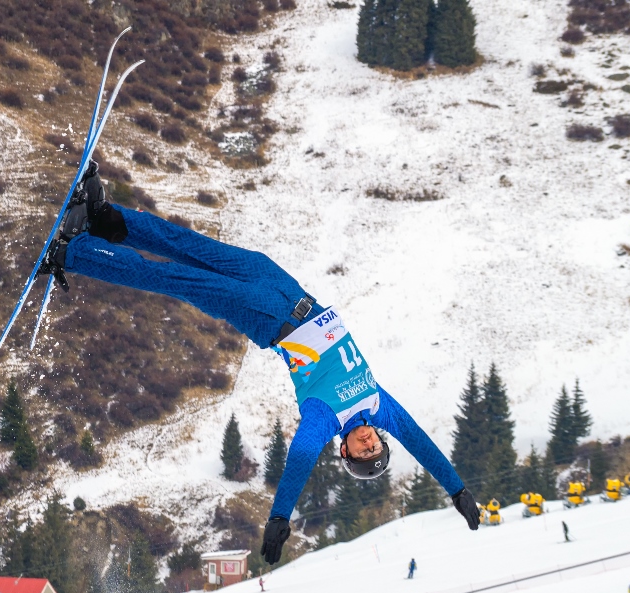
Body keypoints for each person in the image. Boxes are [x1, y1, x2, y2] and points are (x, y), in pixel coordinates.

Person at [40, 165, 481, 565]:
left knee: (174, 278)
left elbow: (299, 462)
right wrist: (457, 490)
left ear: (345, 451)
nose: (369, 443)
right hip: (286, 287)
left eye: (363, 452)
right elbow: (422, 443)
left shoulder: (323, 420)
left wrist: (279, 519)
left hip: (268, 317)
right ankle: (103, 216)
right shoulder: (380, 407)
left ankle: (73, 252)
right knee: (192, 248)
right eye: (377, 447)